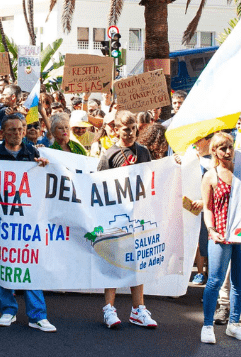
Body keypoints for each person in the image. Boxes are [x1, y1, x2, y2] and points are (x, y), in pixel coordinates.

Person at [0, 114, 55, 332]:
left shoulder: (32, 153)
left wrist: (43, 167)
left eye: (20, 129)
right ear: (3, 132)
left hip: (27, 221)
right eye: (11, 130)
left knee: (30, 264)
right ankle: (8, 310)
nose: (17, 134)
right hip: (3, 220)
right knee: (5, 263)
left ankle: (37, 315)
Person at [96, 110, 157, 329]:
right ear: (116, 129)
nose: (129, 132)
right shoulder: (109, 154)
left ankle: (138, 309)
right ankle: (109, 309)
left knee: (137, 262)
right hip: (115, 216)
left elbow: (151, 178)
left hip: (138, 217)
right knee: (113, 261)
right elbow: (99, 184)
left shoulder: (144, 152)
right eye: (125, 129)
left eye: (132, 128)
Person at [199, 132, 241, 344]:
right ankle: (207, 325)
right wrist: (211, 230)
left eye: (230, 146)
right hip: (220, 234)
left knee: (239, 282)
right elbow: (208, 208)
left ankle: (234, 324)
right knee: (215, 280)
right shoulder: (210, 175)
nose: (228, 152)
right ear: (214, 151)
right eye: (223, 148)